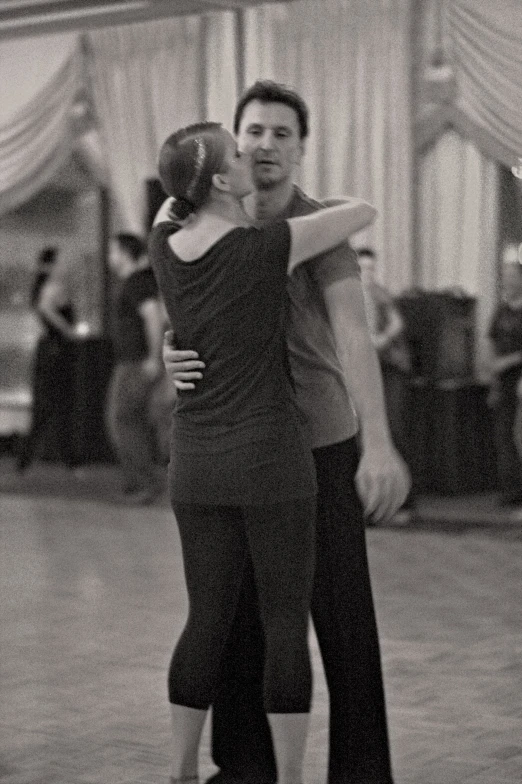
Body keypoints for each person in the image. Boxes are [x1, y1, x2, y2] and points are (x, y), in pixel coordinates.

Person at [162, 81, 410, 784]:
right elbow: (188, 311)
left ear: (301, 147)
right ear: (232, 144)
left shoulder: (317, 227)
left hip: (318, 446)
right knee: (238, 619)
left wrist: (379, 444)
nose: (266, 144)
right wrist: (167, 353)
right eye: (255, 131)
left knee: (342, 622)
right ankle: (246, 767)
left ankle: (362, 772)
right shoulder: (207, 222)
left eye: (282, 133)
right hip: (238, 454)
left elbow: (354, 338)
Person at [106, 233, 164, 504]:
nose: (110, 257)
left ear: (125, 253)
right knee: (125, 421)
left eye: (113, 251)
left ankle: (145, 483)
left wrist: (152, 358)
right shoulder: (136, 282)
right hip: (131, 361)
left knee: (125, 421)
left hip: (135, 362)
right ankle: (136, 481)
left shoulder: (138, 283)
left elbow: (153, 317)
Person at [358, 247, 414, 514]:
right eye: (362, 268)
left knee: (394, 427)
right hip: (368, 371)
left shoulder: (379, 293)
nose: (367, 274)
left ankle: (402, 500)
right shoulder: (350, 294)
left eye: (370, 268)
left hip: (390, 370)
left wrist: (381, 340)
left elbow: (396, 323)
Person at [17, 246, 80, 472]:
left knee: (48, 407)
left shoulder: (48, 286)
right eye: (62, 261)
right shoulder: (54, 287)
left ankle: (30, 461)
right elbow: (45, 309)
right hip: (56, 352)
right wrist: (67, 331)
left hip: (51, 351)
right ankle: (65, 461)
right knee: (55, 406)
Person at [488, 245, 522, 506]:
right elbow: (491, 340)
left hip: (519, 379)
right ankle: (510, 490)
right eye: (506, 277)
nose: (509, 281)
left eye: (513, 277)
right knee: (503, 435)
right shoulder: (501, 310)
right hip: (503, 382)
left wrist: (507, 361)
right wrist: (492, 371)